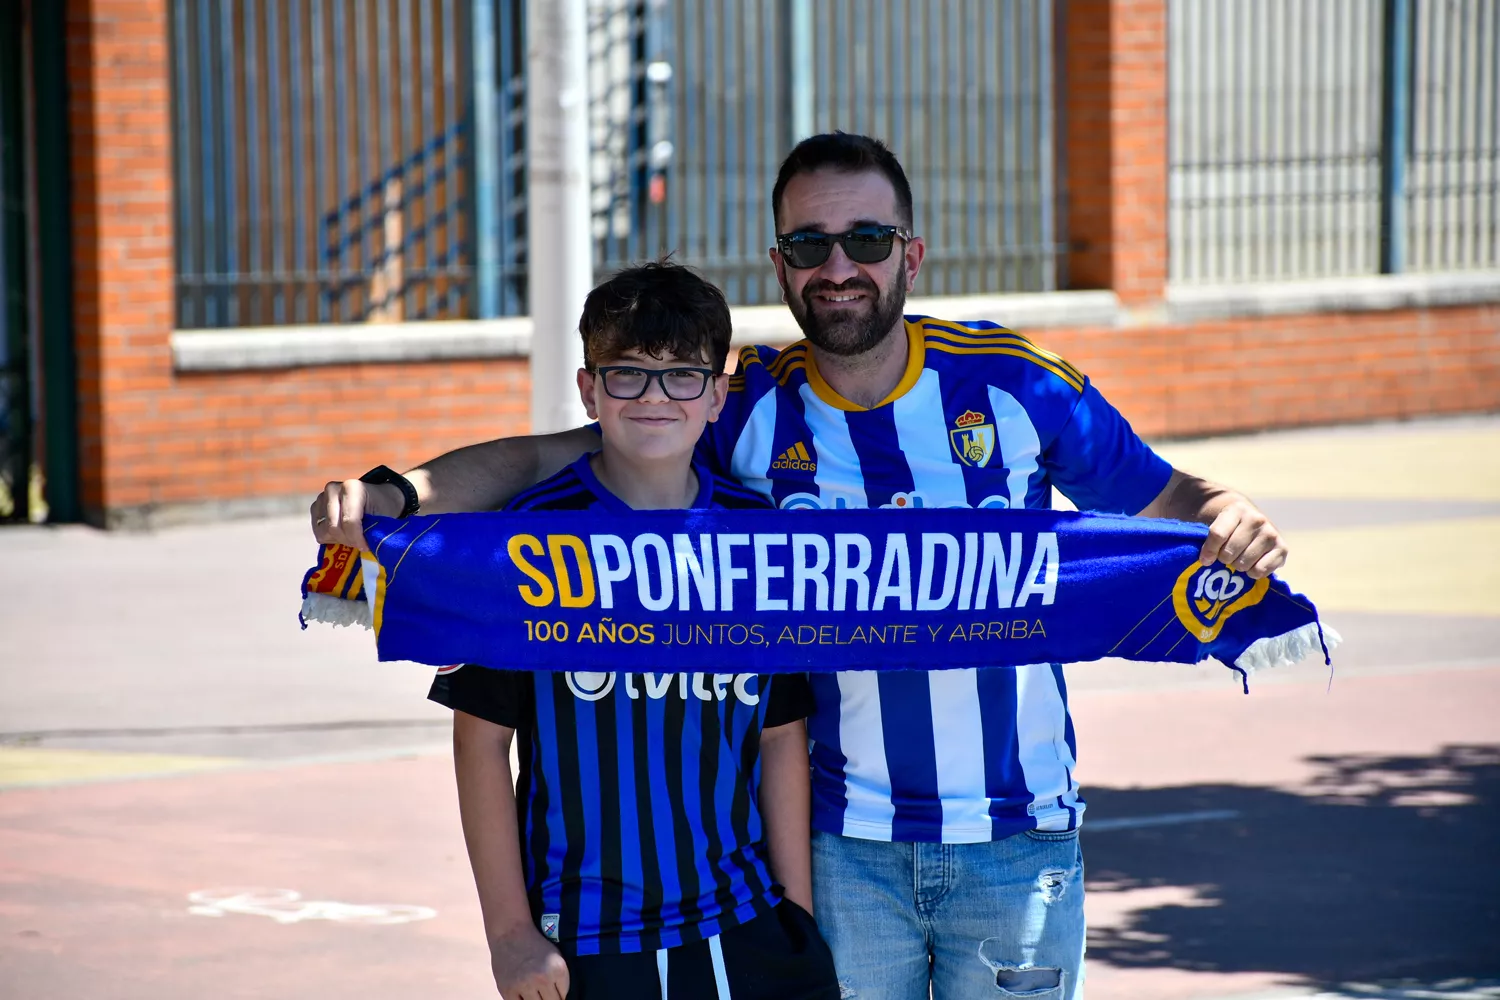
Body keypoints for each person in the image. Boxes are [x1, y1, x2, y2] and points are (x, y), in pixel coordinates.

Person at [315, 134, 1287, 999]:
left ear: (911, 253)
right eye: (808, 244)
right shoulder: (743, 405)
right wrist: (397, 494)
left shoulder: (1019, 386)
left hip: (1016, 837)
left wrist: (1228, 514)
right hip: (842, 846)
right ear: (778, 264)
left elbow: (1166, 500)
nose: (838, 266)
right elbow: (550, 459)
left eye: (866, 240)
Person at [427, 261, 838, 1000]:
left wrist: (797, 919)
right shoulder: (531, 539)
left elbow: (781, 735)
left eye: (683, 374)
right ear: (590, 390)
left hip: (742, 923)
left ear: (717, 393)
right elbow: (479, 740)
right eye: (628, 374)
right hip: (583, 935)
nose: (655, 396)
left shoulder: (758, 538)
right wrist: (511, 936)